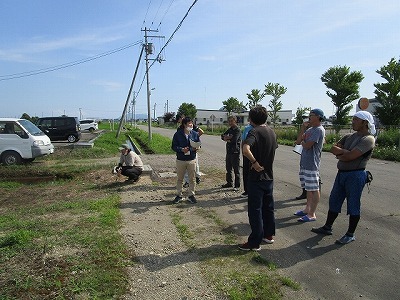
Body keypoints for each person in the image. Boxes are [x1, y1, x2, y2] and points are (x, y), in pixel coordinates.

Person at [311, 111, 376, 244]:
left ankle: (350, 234)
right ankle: (327, 227)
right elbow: (333, 149)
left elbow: (350, 157)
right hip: (342, 173)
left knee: (353, 204)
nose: (353, 122)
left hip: (356, 175)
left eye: (356, 120)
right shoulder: (348, 136)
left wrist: (344, 154)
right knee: (334, 200)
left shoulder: (368, 139)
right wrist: (345, 153)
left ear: (365, 123)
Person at [239, 106, 277, 251]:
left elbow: (245, 149)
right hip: (269, 176)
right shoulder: (271, 132)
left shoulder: (254, 132)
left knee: (255, 210)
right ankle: (268, 235)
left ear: (252, 119)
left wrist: (254, 163)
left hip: (256, 177)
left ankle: (254, 242)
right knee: (268, 208)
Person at [294, 108, 326, 222]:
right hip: (304, 163)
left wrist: (303, 142)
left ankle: (312, 213)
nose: (309, 117)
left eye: (311, 115)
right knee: (308, 188)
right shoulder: (310, 129)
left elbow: (307, 145)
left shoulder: (318, 130)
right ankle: (307, 209)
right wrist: (303, 128)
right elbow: (298, 141)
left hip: (312, 164)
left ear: (318, 117)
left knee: (314, 188)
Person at [171, 117, 201, 204]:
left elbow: (199, 144)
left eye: (192, 123)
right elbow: (173, 146)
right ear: (184, 125)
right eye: (189, 124)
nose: (191, 125)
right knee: (180, 179)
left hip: (192, 159)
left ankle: (191, 195)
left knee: (192, 179)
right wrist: (181, 149)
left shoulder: (195, 134)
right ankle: (179, 195)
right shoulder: (178, 134)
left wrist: (196, 147)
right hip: (181, 159)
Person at [176, 113, 203, 187]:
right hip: (184, 150)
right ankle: (187, 181)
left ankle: (197, 177)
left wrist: (194, 141)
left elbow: (201, 132)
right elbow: (175, 144)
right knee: (185, 167)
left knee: (195, 165)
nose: (179, 121)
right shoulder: (179, 129)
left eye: (180, 119)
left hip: (193, 150)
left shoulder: (192, 127)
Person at [220, 116, 241, 189]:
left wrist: (228, 138)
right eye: (229, 121)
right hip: (228, 152)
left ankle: (237, 185)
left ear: (235, 121)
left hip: (235, 152)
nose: (230, 123)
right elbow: (222, 136)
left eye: (232, 121)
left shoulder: (237, 130)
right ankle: (229, 183)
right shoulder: (230, 129)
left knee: (236, 170)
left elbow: (234, 140)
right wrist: (228, 137)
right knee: (228, 169)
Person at [241, 122, 253, 196]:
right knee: (246, 172)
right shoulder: (247, 128)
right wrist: (243, 152)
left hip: (256, 154)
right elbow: (243, 140)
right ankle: (247, 190)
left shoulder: (260, 128)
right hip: (247, 153)